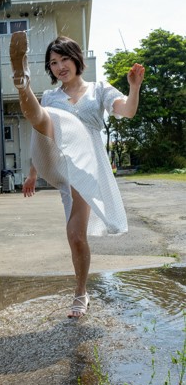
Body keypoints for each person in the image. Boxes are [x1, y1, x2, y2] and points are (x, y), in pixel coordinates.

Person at [9, 31, 145, 318]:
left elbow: (128, 112)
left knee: (75, 236)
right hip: (61, 161)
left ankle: (81, 292)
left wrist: (134, 87)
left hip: (88, 164)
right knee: (44, 117)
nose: (60, 67)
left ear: (76, 59)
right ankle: (23, 84)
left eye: (64, 59)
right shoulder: (52, 95)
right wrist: (34, 172)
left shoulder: (99, 89)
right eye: (53, 63)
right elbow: (41, 137)